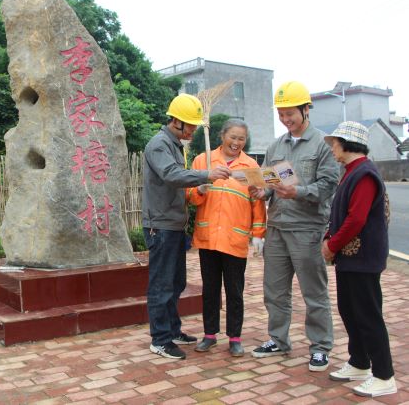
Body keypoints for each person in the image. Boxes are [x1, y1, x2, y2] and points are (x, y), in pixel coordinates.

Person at [248, 81, 339, 371]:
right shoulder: (277, 146)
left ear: (305, 109)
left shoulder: (323, 145)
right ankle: (278, 339)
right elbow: (274, 183)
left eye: (291, 114)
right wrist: (263, 191)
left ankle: (321, 346)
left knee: (313, 293)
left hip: (306, 229)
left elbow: (327, 185)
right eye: (281, 114)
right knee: (274, 291)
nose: (286, 120)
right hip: (277, 227)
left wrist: (297, 192)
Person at [142, 94, 231, 360]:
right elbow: (171, 175)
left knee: (176, 282)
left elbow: (176, 181)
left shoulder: (174, 144)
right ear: (176, 121)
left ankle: (172, 330)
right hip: (161, 225)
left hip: (174, 225)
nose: (192, 129)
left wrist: (198, 186)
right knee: (162, 284)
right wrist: (206, 175)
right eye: (190, 125)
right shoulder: (159, 145)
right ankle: (160, 339)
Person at [322, 122, 396, 397]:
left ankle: (384, 375)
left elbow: (357, 219)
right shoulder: (351, 171)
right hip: (350, 256)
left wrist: (333, 244)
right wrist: (330, 237)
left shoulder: (364, 173)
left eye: (334, 143)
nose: (332, 148)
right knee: (350, 310)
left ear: (346, 143)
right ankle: (359, 362)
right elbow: (341, 214)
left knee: (368, 315)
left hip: (362, 255)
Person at [187, 119, 266, 357]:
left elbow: (258, 202)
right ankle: (209, 335)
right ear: (222, 136)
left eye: (241, 138)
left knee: (235, 291)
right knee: (209, 289)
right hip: (209, 235)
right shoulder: (204, 160)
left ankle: (235, 337)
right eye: (232, 137)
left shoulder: (251, 166)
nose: (236, 142)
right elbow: (190, 196)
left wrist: (259, 234)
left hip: (235, 238)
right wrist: (199, 189)